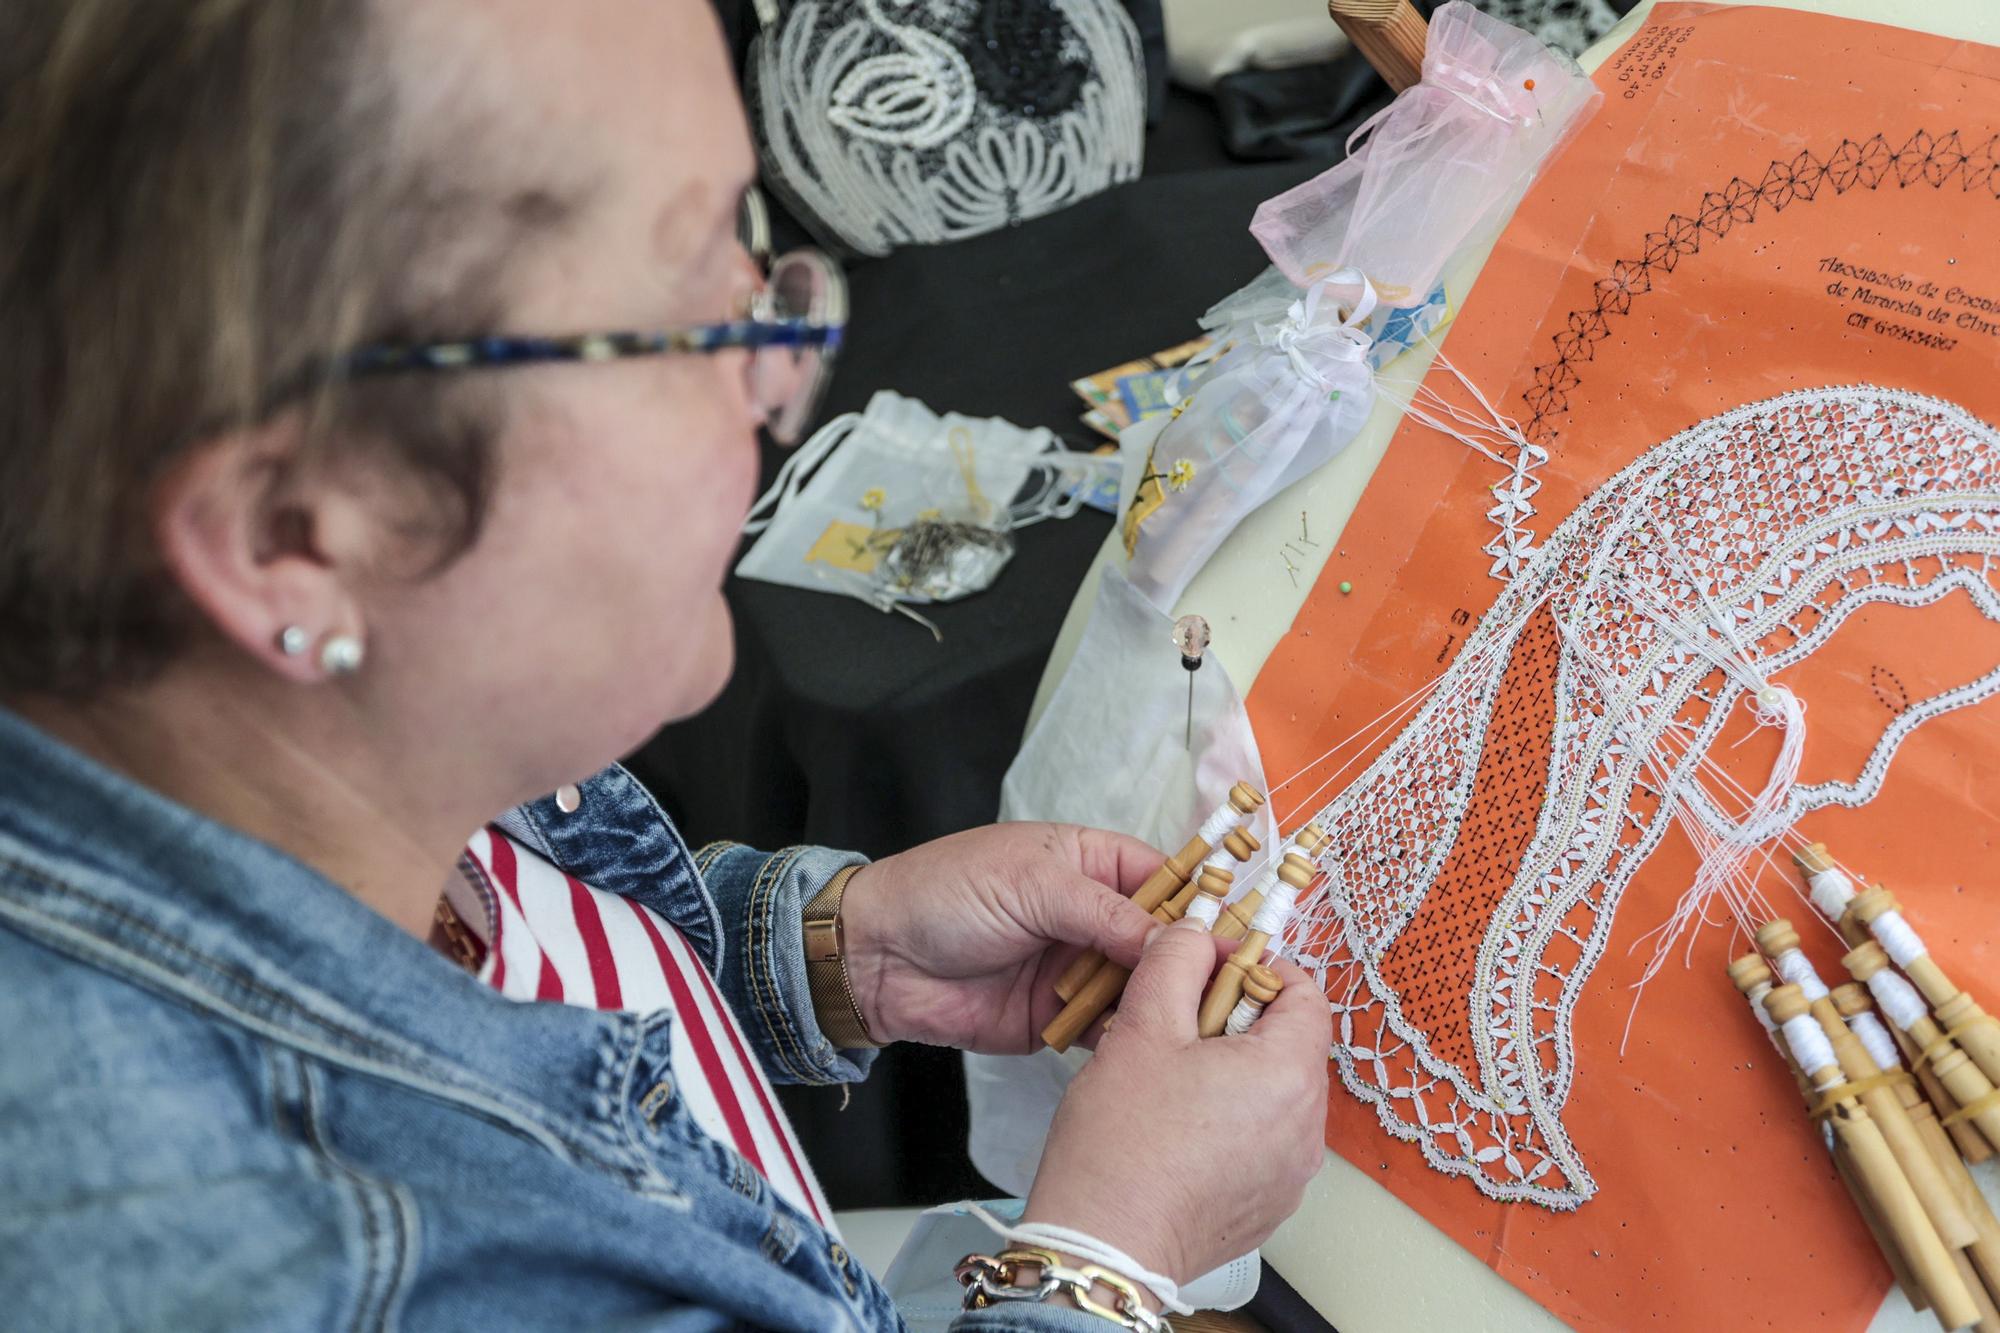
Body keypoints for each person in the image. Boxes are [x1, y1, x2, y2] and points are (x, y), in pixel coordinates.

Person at [0, 2, 1331, 1328]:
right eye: (685, 305)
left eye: (751, 254)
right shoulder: (325, 1268)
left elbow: (543, 958)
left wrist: (817, 953)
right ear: (295, 534)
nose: (778, 373)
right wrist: (1108, 1261)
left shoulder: (337, 757)